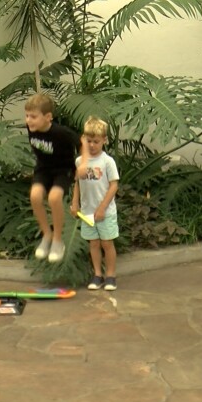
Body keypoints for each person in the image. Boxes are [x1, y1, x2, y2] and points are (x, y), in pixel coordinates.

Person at [24, 93, 86, 263]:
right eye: (27, 116)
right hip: (43, 169)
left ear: (48, 117)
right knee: (35, 196)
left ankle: (58, 240)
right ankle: (47, 235)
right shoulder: (30, 128)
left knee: (54, 198)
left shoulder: (60, 133)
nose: (29, 120)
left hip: (63, 170)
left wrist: (84, 163)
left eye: (34, 117)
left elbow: (82, 143)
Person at [70, 116, 120, 291]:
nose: (92, 145)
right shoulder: (79, 161)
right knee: (94, 244)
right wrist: (74, 203)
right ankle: (97, 274)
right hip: (87, 212)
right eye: (89, 141)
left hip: (105, 212)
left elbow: (114, 185)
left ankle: (111, 276)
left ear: (104, 141)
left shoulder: (107, 162)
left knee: (107, 243)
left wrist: (102, 208)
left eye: (96, 141)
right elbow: (77, 183)